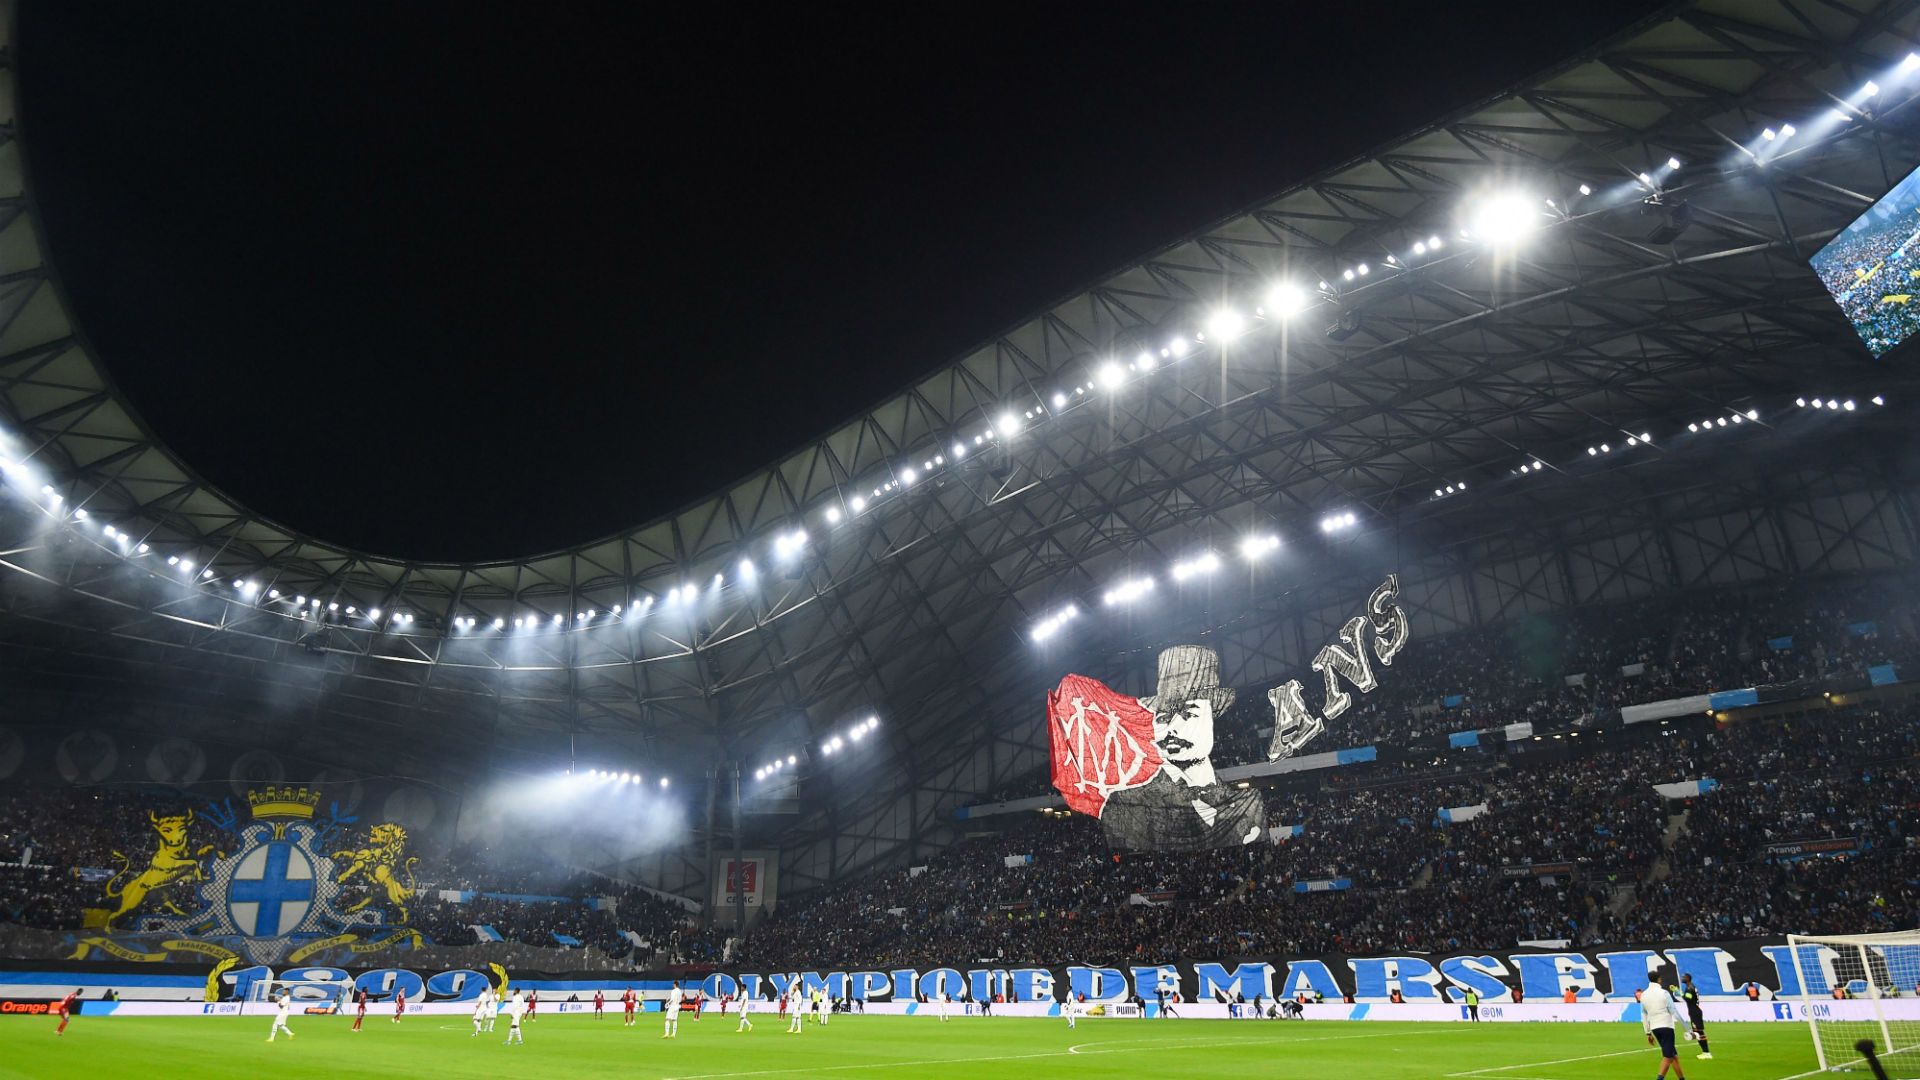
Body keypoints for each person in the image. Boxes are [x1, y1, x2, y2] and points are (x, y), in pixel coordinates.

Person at [1097, 646, 1266, 849]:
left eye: (1189, 713)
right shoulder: (1129, 806)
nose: (1173, 728)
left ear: (1211, 719)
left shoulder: (1247, 805)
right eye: (1164, 717)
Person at [1641, 970, 1686, 1080]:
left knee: (1674, 1056)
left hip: (1655, 1028)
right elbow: (1673, 1011)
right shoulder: (1664, 993)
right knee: (1668, 1057)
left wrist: (1648, 1033)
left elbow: (1644, 1015)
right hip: (1666, 1026)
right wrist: (1687, 1028)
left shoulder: (1644, 995)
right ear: (1659, 979)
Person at [1679, 974, 1713, 1060]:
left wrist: (1678, 992)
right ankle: (1705, 1052)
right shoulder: (1690, 987)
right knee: (1698, 1032)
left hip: (1695, 1012)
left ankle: (1706, 1052)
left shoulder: (1690, 987)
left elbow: (1688, 998)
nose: (1682, 978)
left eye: (1684, 977)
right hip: (1694, 1011)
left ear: (1688, 978)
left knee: (1699, 1032)